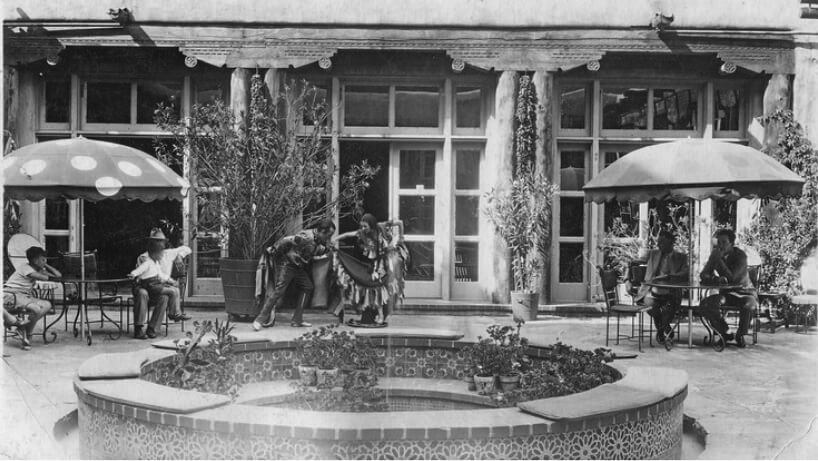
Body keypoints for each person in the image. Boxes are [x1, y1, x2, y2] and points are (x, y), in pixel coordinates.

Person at [253, 219, 336, 331]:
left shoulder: (317, 240)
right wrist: (274, 248)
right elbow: (286, 240)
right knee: (279, 291)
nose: (328, 238)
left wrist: (327, 249)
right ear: (322, 231)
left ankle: (297, 320)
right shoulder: (306, 237)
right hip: (287, 265)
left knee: (308, 287)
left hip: (298, 267)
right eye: (328, 235)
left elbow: (315, 250)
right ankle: (259, 320)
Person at [332, 213, 408, 326]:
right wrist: (335, 239)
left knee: (377, 286)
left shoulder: (381, 226)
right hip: (372, 264)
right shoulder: (362, 233)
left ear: (372, 225)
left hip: (384, 262)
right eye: (361, 226)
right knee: (370, 286)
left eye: (365, 226)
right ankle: (371, 314)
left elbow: (400, 223)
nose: (363, 229)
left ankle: (381, 315)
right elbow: (348, 235)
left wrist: (401, 238)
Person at [698, 228, 758, 348]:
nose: (720, 246)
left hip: (745, 293)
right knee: (706, 304)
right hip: (727, 294)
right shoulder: (715, 254)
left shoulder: (740, 256)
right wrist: (716, 279)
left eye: (724, 242)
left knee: (749, 305)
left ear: (732, 243)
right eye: (718, 242)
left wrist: (719, 260)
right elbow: (703, 275)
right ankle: (725, 332)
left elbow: (733, 278)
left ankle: (740, 335)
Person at [129, 228, 191, 339]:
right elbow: (144, 276)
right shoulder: (144, 258)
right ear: (151, 244)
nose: (160, 245)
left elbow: (187, 249)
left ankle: (152, 328)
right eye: (157, 242)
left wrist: (179, 256)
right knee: (143, 293)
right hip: (143, 285)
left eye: (161, 242)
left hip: (156, 287)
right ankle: (138, 328)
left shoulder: (163, 256)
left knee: (164, 297)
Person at [633, 230, 689, 343]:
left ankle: (662, 327)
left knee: (670, 307)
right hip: (651, 291)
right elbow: (633, 263)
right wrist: (627, 280)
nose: (659, 245)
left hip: (671, 292)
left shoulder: (680, 257)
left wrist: (670, 276)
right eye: (659, 242)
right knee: (651, 306)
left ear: (671, 243)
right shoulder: (652, 254)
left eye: (662, 243)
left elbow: (685, 273)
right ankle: (663, 327)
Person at [2, 246, 62, 350]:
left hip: (24, 296)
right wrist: (44, 268)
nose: (45, 260)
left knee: (47, 305)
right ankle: (27, 335)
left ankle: (24, 330)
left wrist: (45, 264)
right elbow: (50, 278)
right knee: (36, 309)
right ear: (34, 260)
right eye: (42, 259)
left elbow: (59, 276)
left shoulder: (38, 268)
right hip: (12, 294)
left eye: (45, 258)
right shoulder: (25, 268)